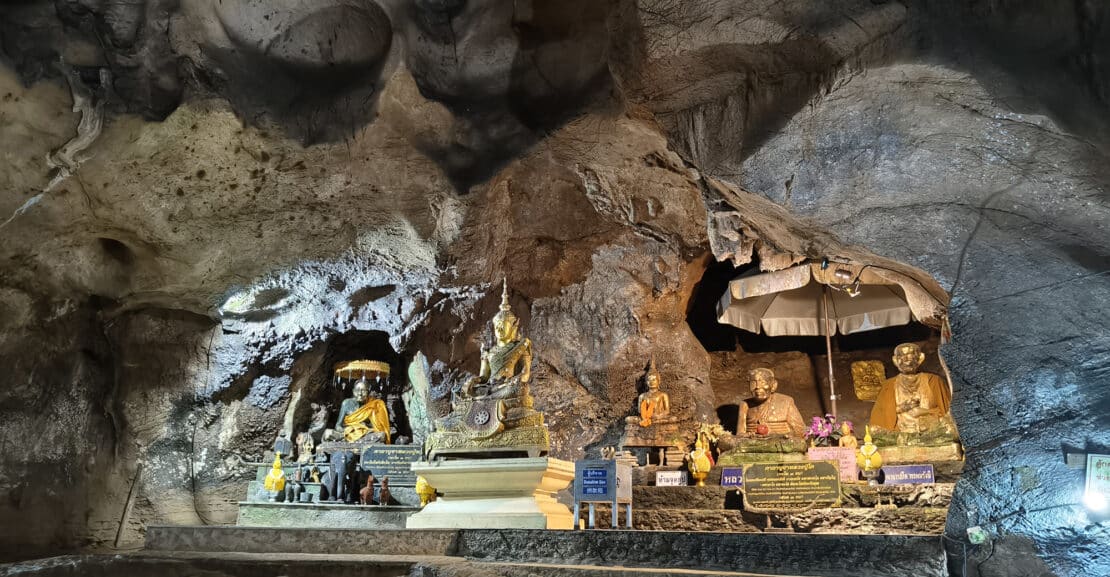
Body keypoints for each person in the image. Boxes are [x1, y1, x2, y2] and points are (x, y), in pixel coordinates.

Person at [869, 343, 952, 433]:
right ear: (895, 360)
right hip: (899, 434)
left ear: (920, 358)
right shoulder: (889, 385)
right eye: (901, 356)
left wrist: (924, 412)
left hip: (929, 432)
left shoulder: (934, 381)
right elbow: (880, 417)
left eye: (910, 354)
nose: (905, 359)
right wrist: (901, 408)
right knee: (873, 430)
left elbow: (948, 413)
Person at [738, 368, 807, 438]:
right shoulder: (745, 404)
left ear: (773, 385)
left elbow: (800, 430)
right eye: (753, 383)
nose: (758, 386)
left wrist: (786, 436)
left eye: (763, 382)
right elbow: (740, 435)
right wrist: (747, 436)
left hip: (781, 443)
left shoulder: (786, 402)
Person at [334, 377, 391, 443]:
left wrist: (364, 427)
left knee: (382, 435)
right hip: (349, 432)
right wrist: (349, 430)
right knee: (328, 433)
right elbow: (337, 425)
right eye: (357, 390)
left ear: (368, 392)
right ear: (353, 391)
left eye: (363, 390)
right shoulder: (346, 403)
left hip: (365, 434)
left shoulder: (373, 404)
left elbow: (377, 426)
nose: (360, 394)